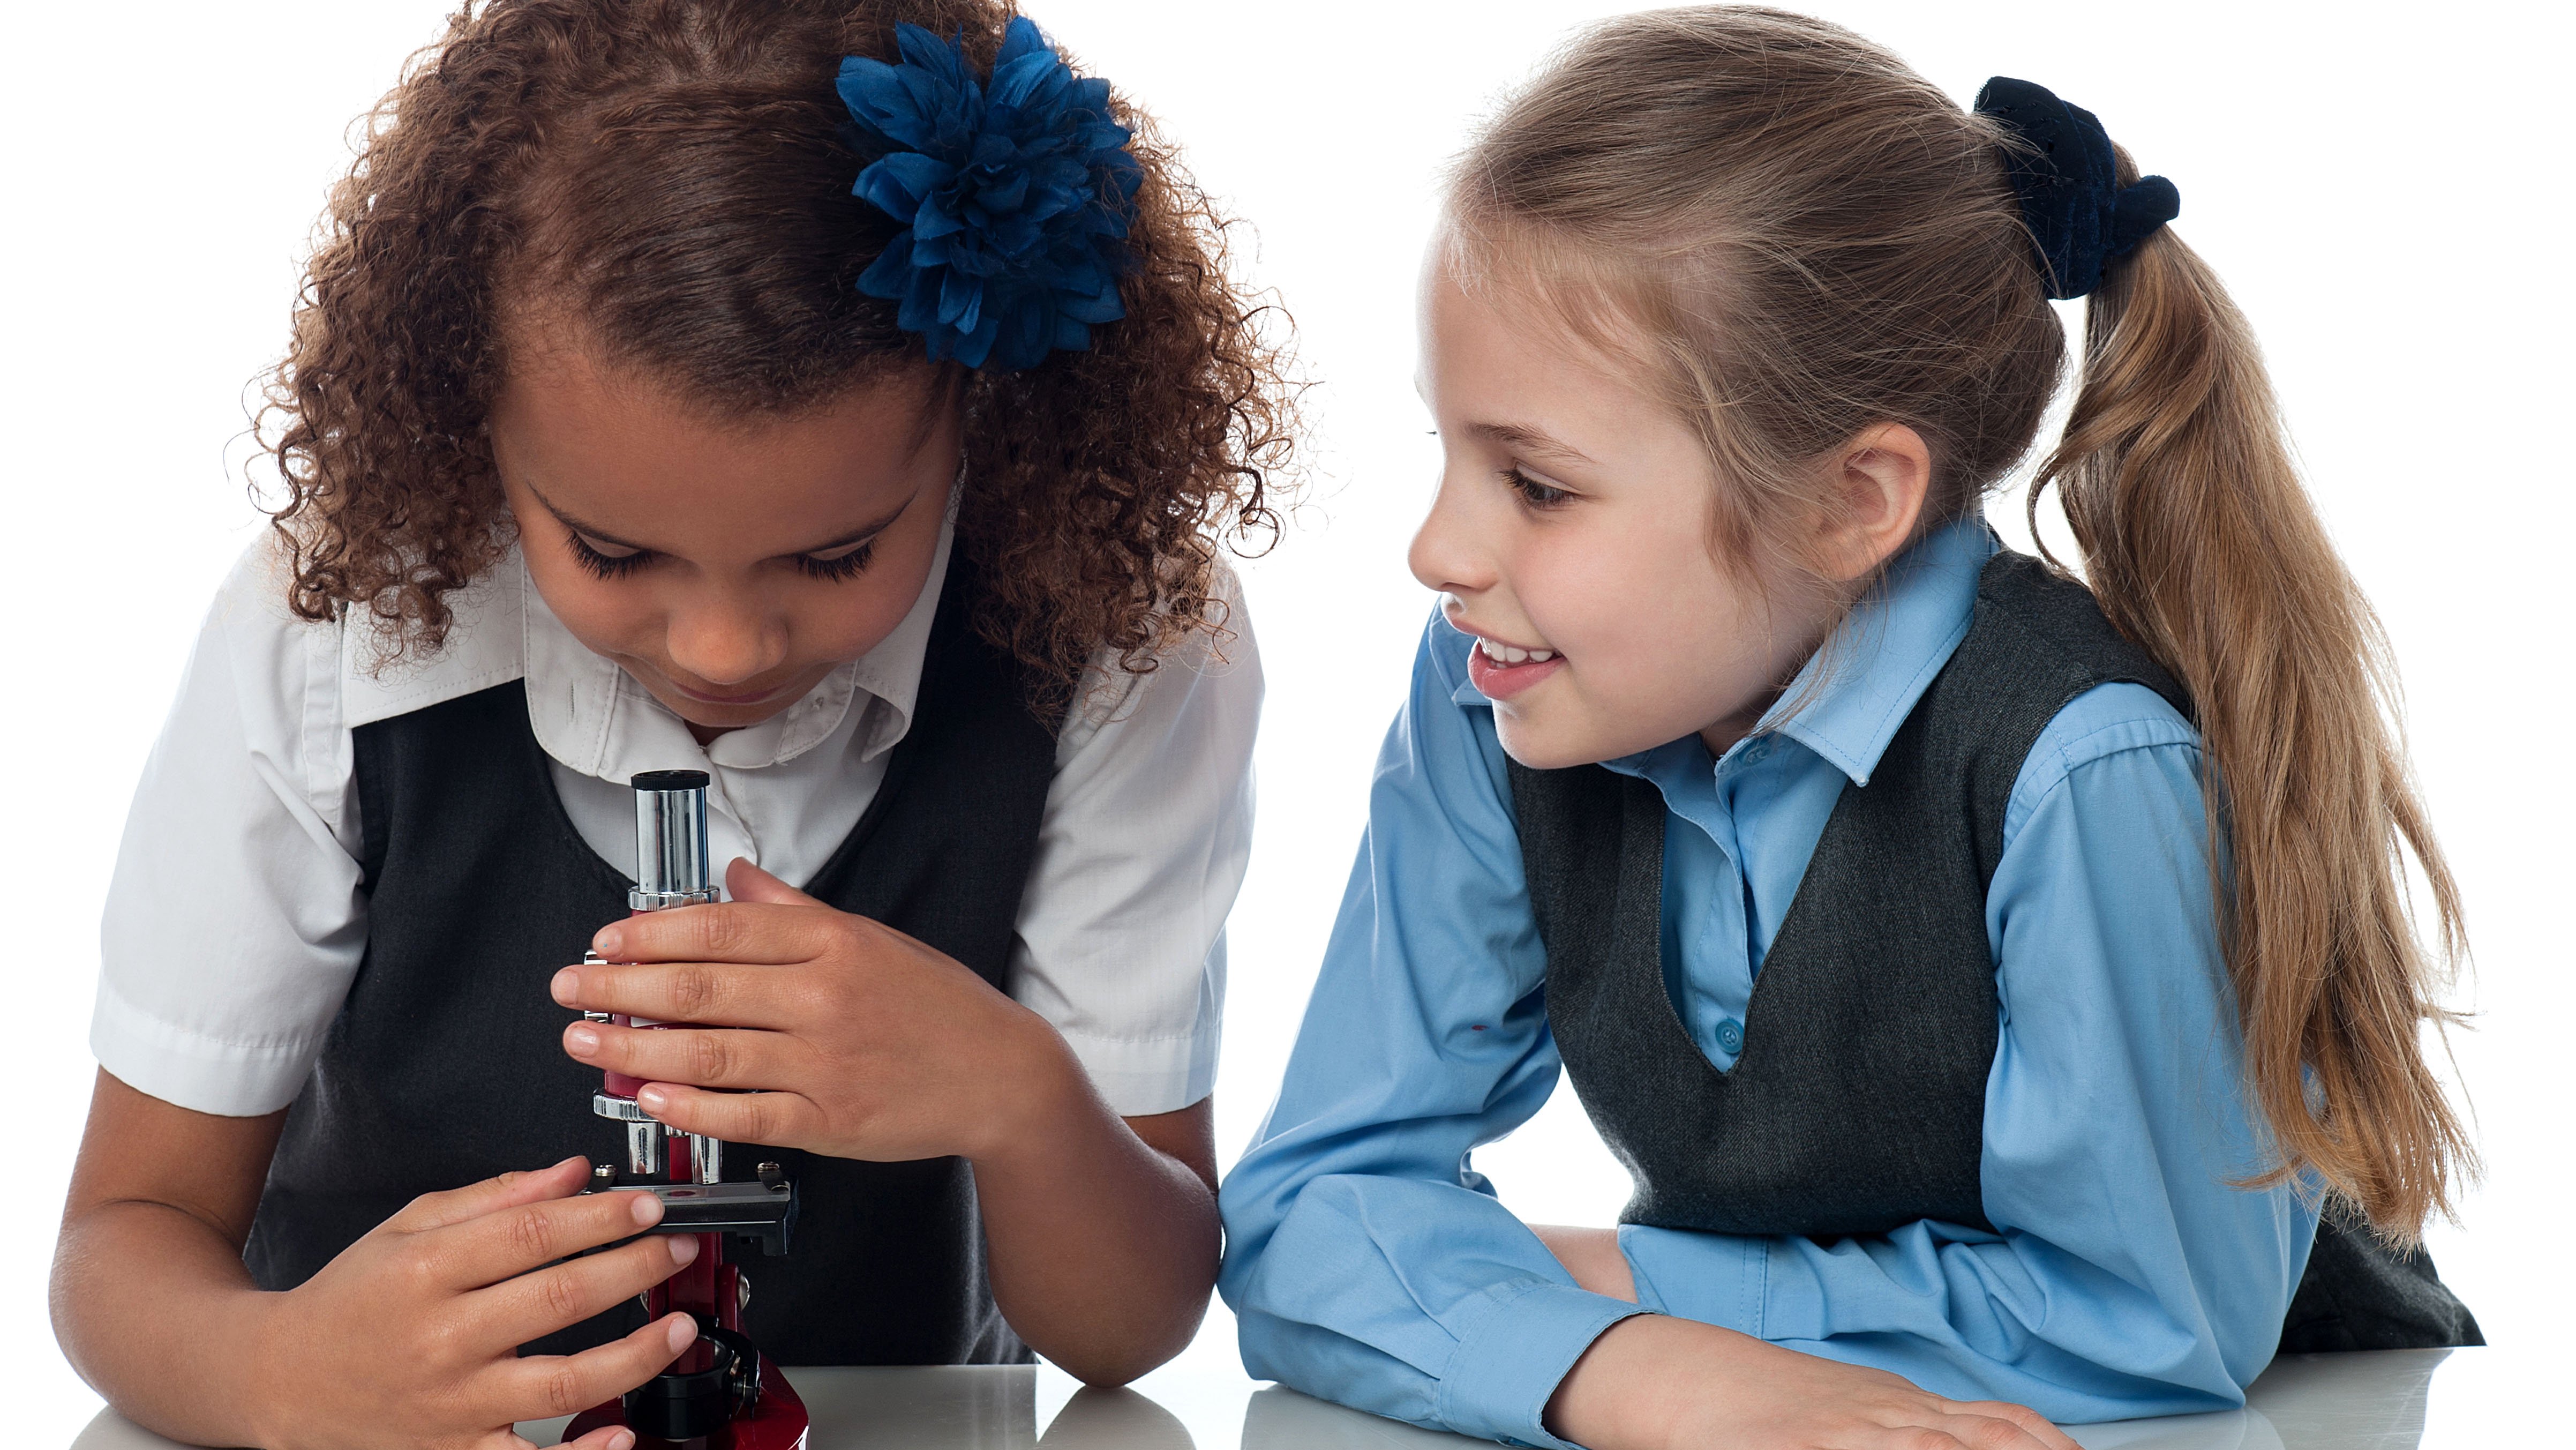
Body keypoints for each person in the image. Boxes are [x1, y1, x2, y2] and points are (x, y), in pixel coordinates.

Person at [1216, 9, 2477, 1450]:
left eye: (1538, 486)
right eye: (1448, 450)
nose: (1438, 550)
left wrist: (1616, 1282)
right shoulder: (1490, 692)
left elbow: (2146, 1328)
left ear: (1848, 501)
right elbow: (1303, 1217)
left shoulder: (2078, 766)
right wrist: (1639, 1370)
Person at [51, 3, 1293, 1446]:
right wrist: (272, 1377)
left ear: (986, 416)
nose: (721, 647)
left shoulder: (1120, 634)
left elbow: (1127, 1327)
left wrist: (1020, 1096)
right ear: (471, 425)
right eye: (611, 551)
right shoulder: (333, 624)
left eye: (835, 558)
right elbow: (120, 1243)